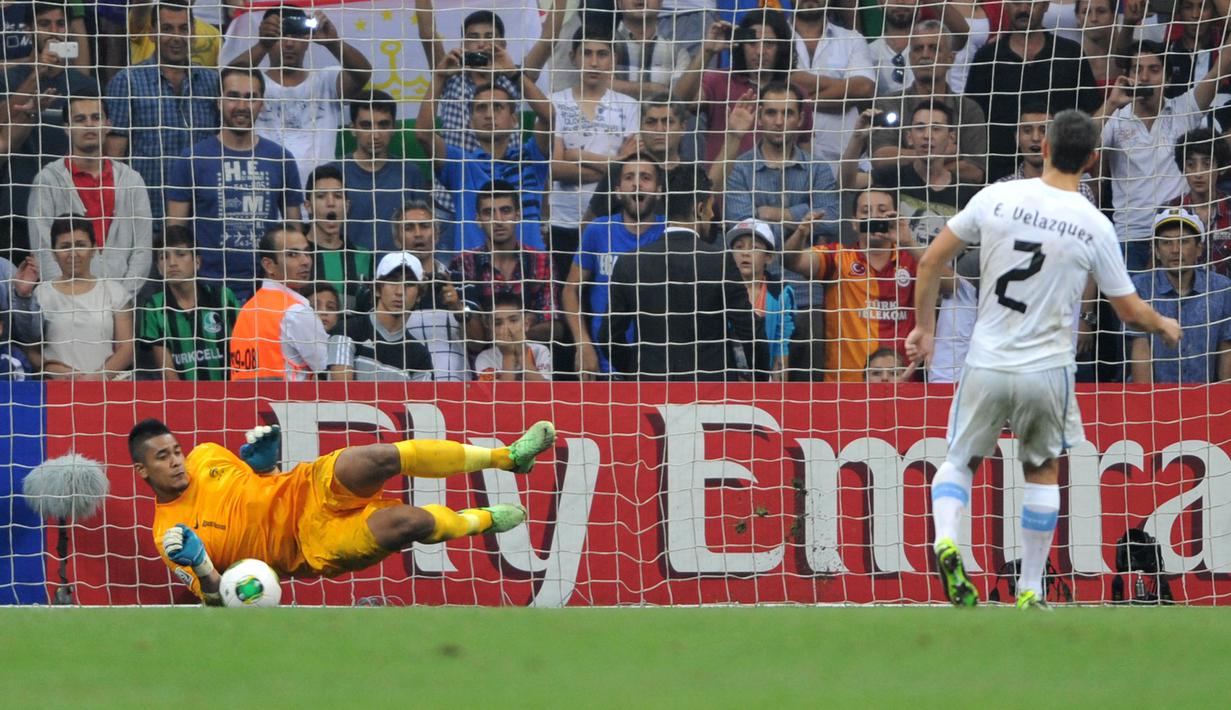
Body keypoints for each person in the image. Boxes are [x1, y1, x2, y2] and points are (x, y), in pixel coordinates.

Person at [905, 109, 1182, 609]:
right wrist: (1162, 324)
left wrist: (924, 329)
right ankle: (1031, 588)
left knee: (960, 461)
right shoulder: (1093, 224)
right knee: (1041, 472)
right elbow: (1128, 309)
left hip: (987, 360)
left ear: (1046, 148)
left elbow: (930, 261)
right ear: (1094, 160)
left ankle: (946, 538)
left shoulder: (997, 196)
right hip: (1047, 370)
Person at [132, 416, 557, 604]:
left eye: (176, 451)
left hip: (306, 487)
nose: (176, 461)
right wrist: (204, 566)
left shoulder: (207, 455)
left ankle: (507, 456)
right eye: (163, 458)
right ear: (142, 471)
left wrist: (263, 464)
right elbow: (216, 600)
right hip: (311, 544)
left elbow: (255, 483)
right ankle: (481, 521)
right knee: (407, 522)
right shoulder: (168, 533)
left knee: (378, 457)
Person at [604, 167, 764, 380]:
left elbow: (607, 336)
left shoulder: (628, 263)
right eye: (710, 208)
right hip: (712, 395)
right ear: (699, 208)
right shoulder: (720, 261)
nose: (713, 214)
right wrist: (760, 380)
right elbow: (750, 330)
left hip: (651, 391)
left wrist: (636, 370)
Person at [165, 68, 303, 300]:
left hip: (267, 288)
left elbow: (294, 231)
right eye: (233, 96)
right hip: (208, 290)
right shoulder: (192, 159)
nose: (241, 105)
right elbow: (175, 234)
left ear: (261, 104)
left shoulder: (281, 158)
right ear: (219, 102)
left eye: (250, 97)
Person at [1095, 38, 1231, 271]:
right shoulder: (1115, 119)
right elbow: (1075, 147)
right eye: (1137, 70)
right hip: (1131, 238)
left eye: (1154, 70)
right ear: (1127, 77)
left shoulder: (1184, 108)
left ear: (1167, 79)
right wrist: (1111, 104)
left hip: (1179, 232)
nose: (1145, 77)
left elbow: (1222, 66)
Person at [415, 46, 554, 254]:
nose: (489, 115)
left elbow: (549, 116)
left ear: (514, 119)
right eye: (481, 108)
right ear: (470, 122)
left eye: (497, 107)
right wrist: (439, 78)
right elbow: (423, 134)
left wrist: (513, 73)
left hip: (530, 274)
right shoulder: (460, 165)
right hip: (475, 276)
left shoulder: (530, 157)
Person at [783, 189, 922, 382]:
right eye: (866, 211)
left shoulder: (914, 259)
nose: (874, 217)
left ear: (897, 217)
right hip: (845, 389)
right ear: (854, 222)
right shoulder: (837, 256)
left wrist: (909, 241)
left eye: (883, 211)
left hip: (902, 386)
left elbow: (952, 286)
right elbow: (792, 261)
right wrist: (800, 234)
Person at [104, 0, 221, 227]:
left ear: (194, 33)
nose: (176, 37)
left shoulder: (212, 82)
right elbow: (113, 159)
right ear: (152, 33)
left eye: (183, 28)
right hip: (146, 216)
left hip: (202, 219)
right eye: (167, 29)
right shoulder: (127, 81)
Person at [28, 92, 153, 300]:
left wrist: (120, 299)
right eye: (80, 119)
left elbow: (143, 249)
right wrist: (69, 298)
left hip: (123, 302)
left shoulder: (132, 180)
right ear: (67, 128)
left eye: (96, 118)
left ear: (108, 125)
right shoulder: (47, 181)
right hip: (66, 305)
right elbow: (43, 250)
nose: (89, 125)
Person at [227, 6, 372, 184]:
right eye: (280, 35)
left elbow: (363, 73)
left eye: (296, 35)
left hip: (319, 198)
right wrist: (262, 44)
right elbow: (227, 81)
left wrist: (334, 42)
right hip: (265, 195)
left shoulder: (326, 80)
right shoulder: (253, 85)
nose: (289, 43)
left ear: (307, 39)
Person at [964, 0, 1099, 181]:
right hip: (1000, 176)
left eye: (1031, 4)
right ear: (1005, 5)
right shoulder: (987, 57)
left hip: (1059, 173)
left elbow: (1089, 114)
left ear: (1046, 6)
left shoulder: (1070, 53)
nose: (1023, 9)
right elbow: (972, 119)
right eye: (1016, 3)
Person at [548, 24, 641, 280]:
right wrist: (614, 164)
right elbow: (555, 169)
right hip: (562, 221)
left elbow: (628, 171)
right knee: (565, 296)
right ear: (573, 57)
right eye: (587, 53)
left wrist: (577, 155)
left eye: (602, 54)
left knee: (604, 299)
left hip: (609, 218)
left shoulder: (629, 106)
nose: (594, 62)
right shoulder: (556, 102)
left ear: (614, 59)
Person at [563, 156, 666, 378]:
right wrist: (583, 343)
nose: (637, 184)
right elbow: (570, 290)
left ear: (659, 190)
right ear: (618, 190)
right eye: (629, 177)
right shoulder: (598, 230)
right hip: (604, 362)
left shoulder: (669, 233)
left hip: (658, 363)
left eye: (645, 178)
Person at [868, 20, 988, 185]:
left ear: (950, 59)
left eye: (934, 48)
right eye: (918, 49)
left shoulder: (969, 109)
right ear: (910, 58)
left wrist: (913, 161)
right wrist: (940, 155)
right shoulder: (888, 104)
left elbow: (975, 172)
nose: (925, 55)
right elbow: (881, 158)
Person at [676, 10, 797, 166]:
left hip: (777, 186)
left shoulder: (794, 92)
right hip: (722, 185)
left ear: (781, 47)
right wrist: (707, 52)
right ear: (741, 45)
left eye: (769, 43)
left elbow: (805, 149)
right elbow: (679, 102)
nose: (760, 52)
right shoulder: (719, 80)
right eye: (752, 43)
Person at [723, 82, 839, 243]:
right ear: (759, 118)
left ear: (800, 119)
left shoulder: (818, 167)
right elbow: (741, 225)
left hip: (806, 266)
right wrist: (804, 213)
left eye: (788, 113)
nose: (779, 122)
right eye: (771, 113)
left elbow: (831, 221)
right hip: (757, 266)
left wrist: (772, 214)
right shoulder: (738, 168)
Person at [1129, 208, 1231, 384]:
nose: (1175, 250)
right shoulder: (1140, 287)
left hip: (1206, 400)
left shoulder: (1221, 288)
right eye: (1166, 243)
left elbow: (1226, 352)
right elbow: (1141, 353)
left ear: (1199, 249)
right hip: (1156, 401)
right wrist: (1145, 405)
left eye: (1183, 241)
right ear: (1157, 251)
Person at [326, 90, 428, 254]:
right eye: (366, 125)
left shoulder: (410, 173)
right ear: (353, 129)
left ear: (393, 128)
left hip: (400, 274)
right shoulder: (333, 174)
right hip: (349, 272)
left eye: (383, 124)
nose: (375, 134)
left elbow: (424, 229)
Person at [450, 182, 555, 341]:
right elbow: (464, 329)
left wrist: (506, 335)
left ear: (518, 215)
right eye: (488, 212)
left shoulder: (541, 260)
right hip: (477, 362)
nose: (498, 220)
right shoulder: (463, 264)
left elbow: (555, 326)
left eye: (505, 211)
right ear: (478, 219)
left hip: (532, 358)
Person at [34, 216, 135, 380]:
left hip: (107, 390)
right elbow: (30, 350)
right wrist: (50, 368)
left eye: (80, 245)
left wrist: (94, 379)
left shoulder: (115, 291)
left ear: (94, 248)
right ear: (53, 253)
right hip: (56, 390)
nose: (73, 253)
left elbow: (127, 349)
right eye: (65, 246)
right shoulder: (40, 294)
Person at [138, 226, 240, 381]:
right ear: (158, 268)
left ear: (197, 262)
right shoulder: (153, 307)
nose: (172, 263)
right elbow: (168, 372)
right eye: (163, 257)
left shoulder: (223, 297)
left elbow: (242, 352)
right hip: (182, 400)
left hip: (228, 396)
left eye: (180, 254)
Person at [229, 224, 329, 381]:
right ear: (269, 265)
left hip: (245, 403)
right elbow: (329, 368)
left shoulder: (248, 309)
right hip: (288, 403)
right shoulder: (295, 311)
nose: (305, 261)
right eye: (292, 254)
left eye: (307, 253)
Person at [787, 0, 876, 162]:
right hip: (786, 158)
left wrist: (797, 102)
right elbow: (777, 81)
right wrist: (841, 89)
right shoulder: (775, 39)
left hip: (844, 160)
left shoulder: (852, 39)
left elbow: (864, 87)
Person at [330, 252, 435, 381]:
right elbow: (341, 394)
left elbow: (420, 400)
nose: (400, 292)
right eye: (392, 281)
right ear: (377, 289)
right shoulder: (347, 331)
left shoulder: (419, 355)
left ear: (419, 295)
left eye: (409, 284)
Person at [728, 219, 794, 381]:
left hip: (763, 381)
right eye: (739, 247)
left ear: (769, 257)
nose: (745, 253)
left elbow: (781, 345)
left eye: (754, 247)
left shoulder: (781, 293)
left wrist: (778, 394)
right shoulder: (719, 288)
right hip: (725, 383)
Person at [303, 164, 369, 312]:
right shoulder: (294, 255)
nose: (331, 203)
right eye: (321, 196)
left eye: (338, 196)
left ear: (347, 205)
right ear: (308, 206)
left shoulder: (364, 257)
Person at [1168, 128, 1231, 271]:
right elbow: (1158, 265)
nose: (1198, 173)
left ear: (1220, 168)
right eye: (1191, 165)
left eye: (1207, 164)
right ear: (1183, 168)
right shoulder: (1170, 210)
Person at [612, 0, 691, 100]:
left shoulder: (676, 51)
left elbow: (677, 98)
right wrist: (653, 90)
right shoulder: (603, 43)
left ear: (660, 3)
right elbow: (592, 84)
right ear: (619, 3)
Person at [475, 292, 552, 381]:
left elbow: (544, 391)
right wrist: (508, 355)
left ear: (526, 324)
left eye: (513, 320)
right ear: (490, 328)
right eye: (498, 323)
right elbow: (502, 394)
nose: (506, 327)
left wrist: (522, 353)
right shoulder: (485, 358)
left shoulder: (540, 351)